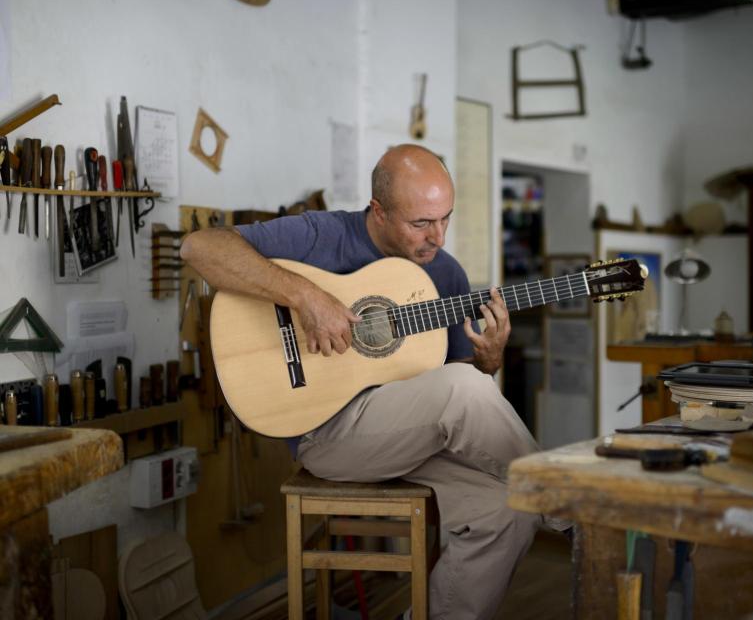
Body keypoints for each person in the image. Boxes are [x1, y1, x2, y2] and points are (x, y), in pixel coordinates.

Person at [181, 144, 547, 620]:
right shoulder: (321, 234)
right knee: (468, 397)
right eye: (421, 223)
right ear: (378, 210)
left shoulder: (445, 273)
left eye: (445, 219)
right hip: (327, 436)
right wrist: (306, 296)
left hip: (411, 439)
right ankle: (565, 501)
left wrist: (491, 359)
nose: (436, 237)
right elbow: (199, 247)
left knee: (505, 509)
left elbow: (462, 390)